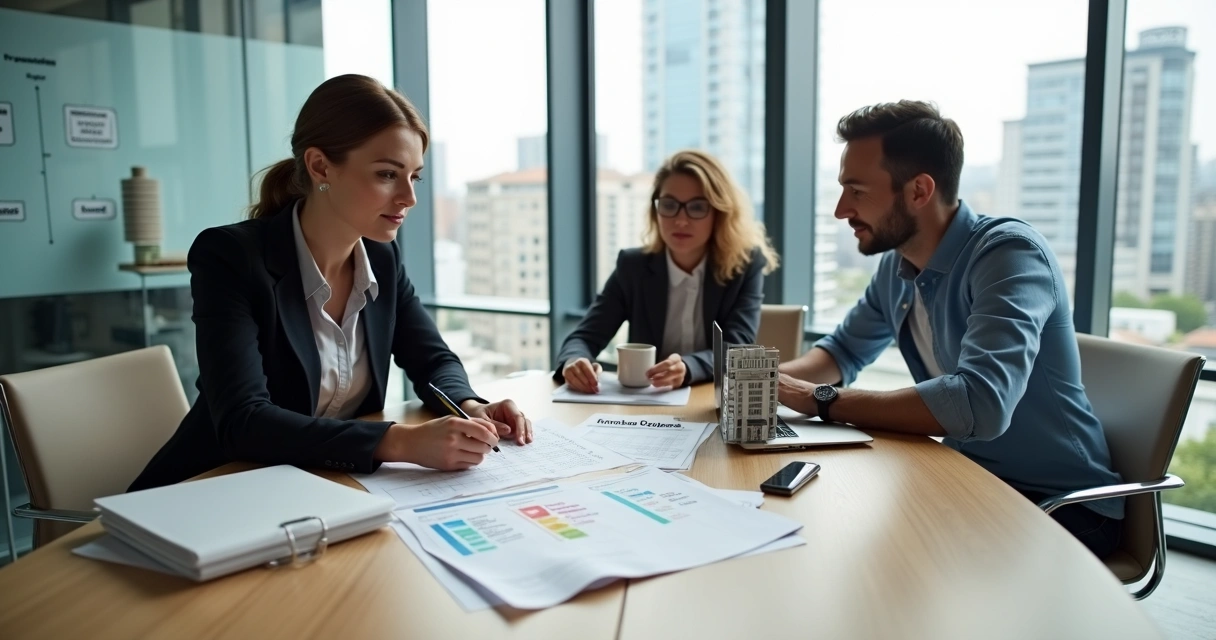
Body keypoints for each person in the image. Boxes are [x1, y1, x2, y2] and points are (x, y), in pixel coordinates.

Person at [130, 75, 532, 492]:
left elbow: (432, 360)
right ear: (320, 166)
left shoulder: (381, 257)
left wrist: (469, 406)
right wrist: (399, 442)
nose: (409, 198)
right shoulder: (231, 256)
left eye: (415, 177)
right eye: (387, 174)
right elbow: (242, 420)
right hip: (211, 488)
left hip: (314, 484)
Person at [777, 100, 1124, 559]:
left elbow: (980, 405)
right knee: (829, 531)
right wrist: (769, 382)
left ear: (919, 190)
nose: (842, 210)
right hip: (969, 477)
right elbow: (841, 353)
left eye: (856, 191)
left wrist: (823, 401)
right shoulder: (896, 267)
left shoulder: (1008, 256)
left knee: (874, 558)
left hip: (1061, 506)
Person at [555, 150, 779, 392]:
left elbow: (738, 347)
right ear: (655, 210)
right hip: (645, 408)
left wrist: (688, 366)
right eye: (670, 205)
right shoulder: (633, 266)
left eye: (696, 207)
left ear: (720, 213)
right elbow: (584, 337)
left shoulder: (745, 265)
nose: (680, 220)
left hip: (711, 404)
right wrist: (574, 362)